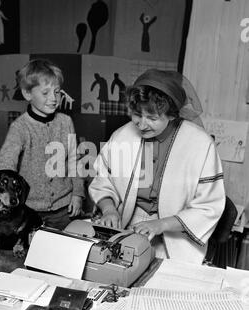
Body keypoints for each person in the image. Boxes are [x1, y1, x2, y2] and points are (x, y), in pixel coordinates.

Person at [89, 69, 225, 264]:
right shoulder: (122, 136)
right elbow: (103, 179)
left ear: (171, 115)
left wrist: (160, 225)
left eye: (152, 118)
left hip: (176, 231)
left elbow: (208, 206)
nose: (142, 125)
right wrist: (109, 209)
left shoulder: (200, 144)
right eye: (137, 115)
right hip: (127, 221)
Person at [0, 59, 85, 230]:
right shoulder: (20, 128)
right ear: (28, 94)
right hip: (29, 211)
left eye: (57, 92)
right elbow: (5, 166)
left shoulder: (66, 122)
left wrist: (78, 194)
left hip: (64, 210)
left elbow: (75, 161)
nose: (53, 99)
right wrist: (8, 198)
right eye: (45, 93)